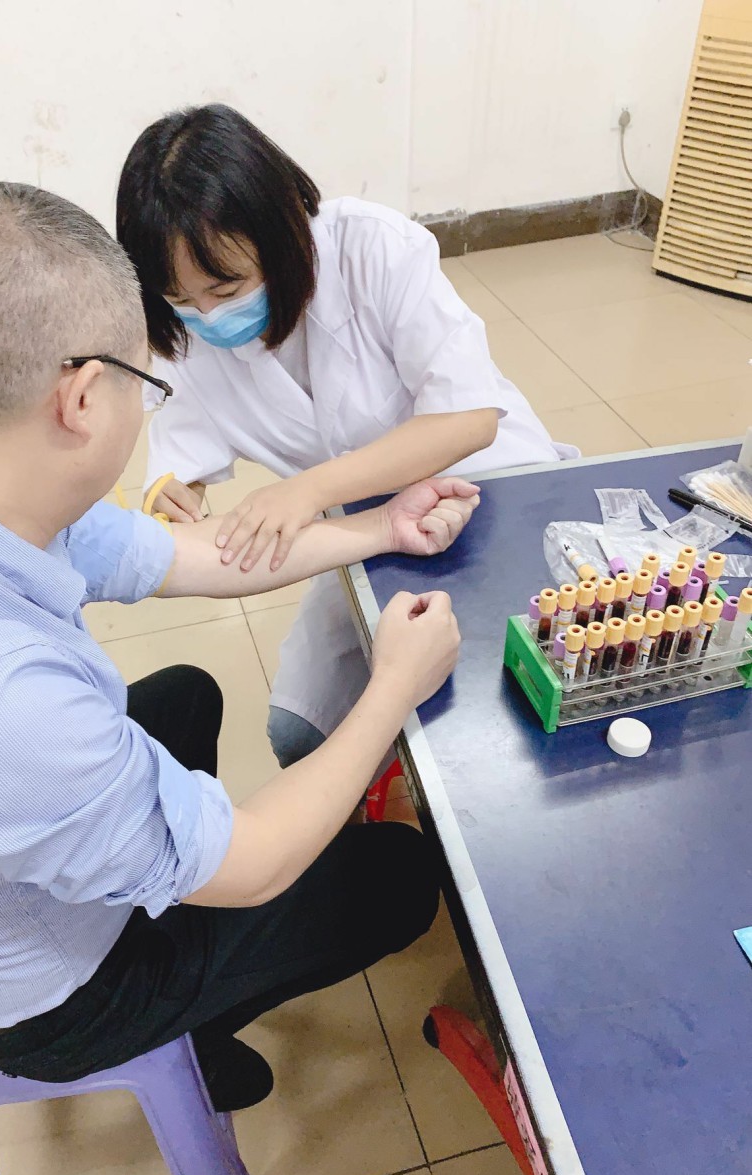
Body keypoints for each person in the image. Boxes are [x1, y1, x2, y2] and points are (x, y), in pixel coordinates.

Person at [0, 182, 468, 1112]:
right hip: (51, 996)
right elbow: (259, 861)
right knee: (395, 875)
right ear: (81, 397)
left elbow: (189, 554)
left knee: (188, 692)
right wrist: (392, 686)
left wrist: (381, 529)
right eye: (142, 385)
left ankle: (170, 903)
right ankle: (187, 1028)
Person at [116, 104, 576, 768]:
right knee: (298, 730)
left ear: (281, 236)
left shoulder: (374, 250)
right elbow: (180, 442)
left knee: (505, 709)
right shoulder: (187, 330)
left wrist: (310, 490)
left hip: (481, 489)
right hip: (369, 529)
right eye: (184, 300)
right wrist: (170, 487)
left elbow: (471, 417)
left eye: (226, 287)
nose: (209, 315)